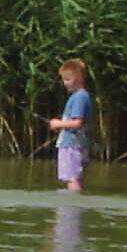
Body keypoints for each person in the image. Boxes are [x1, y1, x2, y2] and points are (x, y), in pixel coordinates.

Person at [47, 58, 93, 192]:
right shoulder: (81, 96)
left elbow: (77, 122)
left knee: (72, 179)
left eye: (67, 79)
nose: (64, 83)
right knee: (74, 178)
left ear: (79, 77)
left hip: (71, 145)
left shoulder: (79, 97)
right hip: (75, 144)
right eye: (63, 80)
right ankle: (73, 207)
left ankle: (72, 208)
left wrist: (58, 123)